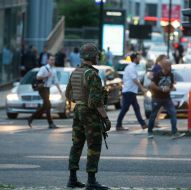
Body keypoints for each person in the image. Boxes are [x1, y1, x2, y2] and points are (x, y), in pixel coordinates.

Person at [66, 43, 111, 189]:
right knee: (94, 145)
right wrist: (105, 118)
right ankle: (91, 181)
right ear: (92, 56)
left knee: (77, 144)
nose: (98, 57)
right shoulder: (92, 74)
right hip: (89, 113)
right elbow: (96, 101)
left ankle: (72, 179)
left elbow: (68, 95)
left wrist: (79, 101)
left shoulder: (75, 72)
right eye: (97, 55)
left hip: (78, 110)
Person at [147, 59, 183, 139]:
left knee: (173, 113)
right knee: (153, 114)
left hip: (167, 98)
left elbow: (171, 85)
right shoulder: (158, 74)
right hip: (157, 98)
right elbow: (152, 85)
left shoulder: (171, 75)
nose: (170, 67)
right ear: (164, 66)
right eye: (168, 65)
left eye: (170, 65)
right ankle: (150, 132)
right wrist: (161, 89)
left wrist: (171, 88)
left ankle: (174, 132)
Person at [28, 54, 62, 129]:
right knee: (48, 105)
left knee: (45, 106)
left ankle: (31, 118)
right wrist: (46, 76)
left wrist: (60, 90)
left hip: (47, 89)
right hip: (42, 89)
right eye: (51, 60)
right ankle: (50, 123)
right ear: (48, 60)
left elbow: (56, 81)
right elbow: (38, 76)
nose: (52, 61)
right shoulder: (44, 68)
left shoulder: (53, 70)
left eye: (53, 60)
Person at [115, 52, 147, 131]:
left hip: (130, 91)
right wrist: (142, 88)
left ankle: (143, 124)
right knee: (125, 109)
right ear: (135, 59)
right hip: (129, 91)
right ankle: (118, 125)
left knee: (136, 108)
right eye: (138, 58)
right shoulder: (131, 68)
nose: (139, 59)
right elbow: (134, 79)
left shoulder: (131, 67)